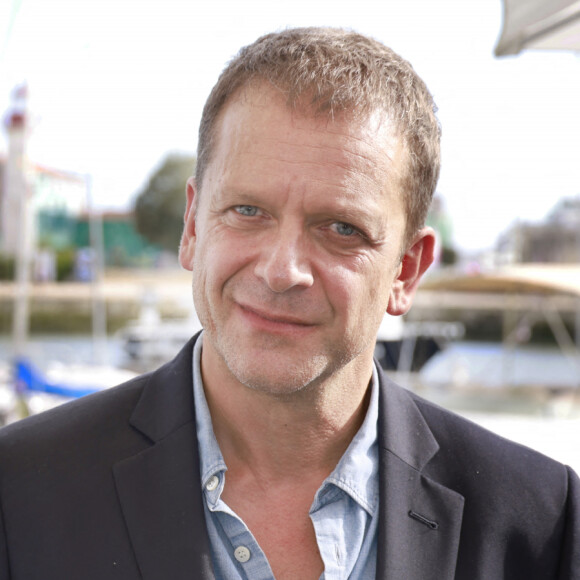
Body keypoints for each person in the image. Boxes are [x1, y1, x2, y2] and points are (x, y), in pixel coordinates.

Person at [0, 27, 577, 580]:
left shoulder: (539, 523)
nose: (282, 271)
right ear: (193, 228)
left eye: (341, 229)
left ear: (406, 269)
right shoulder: (19, 491)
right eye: (248, 211)